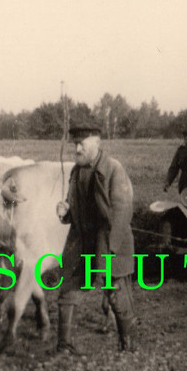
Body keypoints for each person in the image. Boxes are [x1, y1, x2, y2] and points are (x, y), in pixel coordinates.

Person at [54, 122, 137, 353]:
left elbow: (122, 212)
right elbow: (75, 208)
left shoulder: (113, 169)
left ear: (96, 143)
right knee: (68, 290)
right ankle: (64, 346)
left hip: (110, 242)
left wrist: (109, 251)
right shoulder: (76, 171)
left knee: (116, 295)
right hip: (81, 242)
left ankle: (128, 347)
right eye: (75, 144)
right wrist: (65, 212)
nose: (77, 149)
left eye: (81, 144)